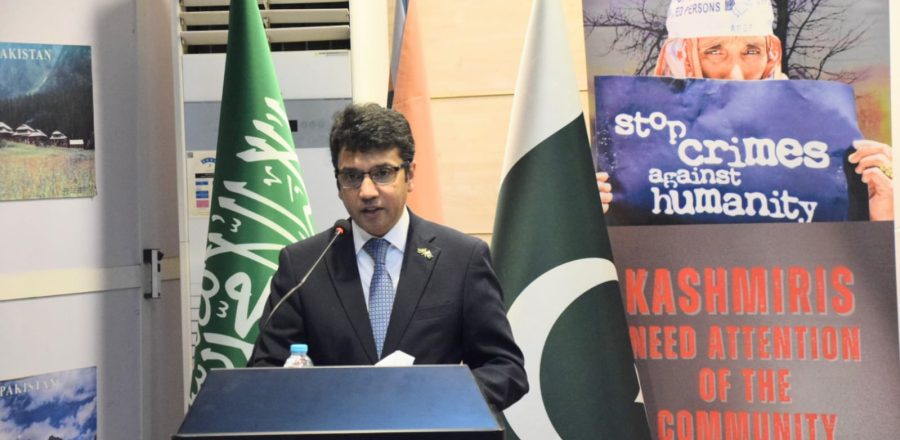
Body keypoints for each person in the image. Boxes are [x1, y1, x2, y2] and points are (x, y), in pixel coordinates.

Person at [248, 103, 528, 411]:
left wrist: (436, 397)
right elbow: (265, 371)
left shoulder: (461, 259)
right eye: (352, 176)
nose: (367, 191)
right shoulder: (303, 265)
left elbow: (505, 369)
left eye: (382, 173)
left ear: (410, 175)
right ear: (338, 184)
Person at [598, 0, 893, 221]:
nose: (736, 74)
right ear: (682, 56)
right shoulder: (630, 143)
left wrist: (880, 213)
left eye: (751, 51)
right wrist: (593, 222)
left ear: (770, 54)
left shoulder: (821, 141)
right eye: (714, 51)